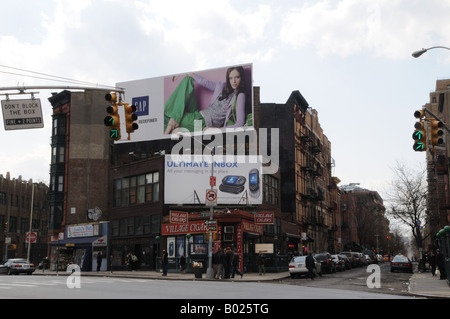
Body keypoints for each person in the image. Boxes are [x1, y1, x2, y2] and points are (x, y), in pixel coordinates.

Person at [164, 66, 249, 134]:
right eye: (231, 78)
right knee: (188, 79)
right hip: (199, 113)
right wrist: (184, 71)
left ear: (241, 78)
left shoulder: (240, 95)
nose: (233, 81)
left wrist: (216, 130)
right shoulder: (222, 86)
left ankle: (174, 122)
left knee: (166, 117)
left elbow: (240, 124)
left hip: (203, 122)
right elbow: (205, 82)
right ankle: (175, 123)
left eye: (237, 77)